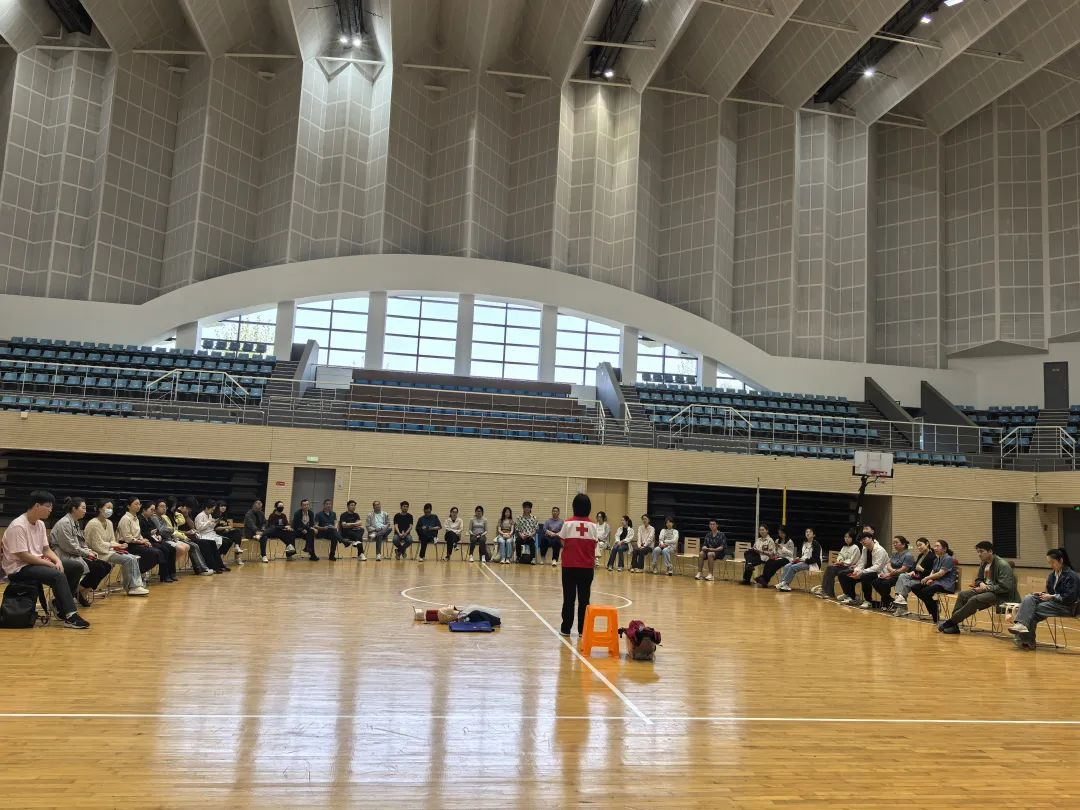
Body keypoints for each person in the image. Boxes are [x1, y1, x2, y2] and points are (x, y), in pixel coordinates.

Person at [0, 491, 90, 628]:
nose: (50, 510)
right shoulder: (18, 526)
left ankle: (59, 606)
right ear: (37, 505)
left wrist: (57, 561)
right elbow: (23, 555)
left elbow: (46, 549)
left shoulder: (40, 524)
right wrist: (49, 564)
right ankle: (71, 616)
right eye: (48, 506)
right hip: (19, 568)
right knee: (57, 575)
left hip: (36, 563)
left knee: (76, 566)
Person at [937, 541, 1019, 635]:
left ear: (990, 551)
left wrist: (986, 588)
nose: (979, 554)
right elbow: (978, 579)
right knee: (963, 595)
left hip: (1001, 595)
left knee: (975, 599)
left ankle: (950, 622)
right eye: (978, 552)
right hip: (987, 591)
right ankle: (954, 626)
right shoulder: (984, 563)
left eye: (981, 551)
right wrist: (980, 583)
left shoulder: (1002, 565)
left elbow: (1005, 587)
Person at [1009, 548, 1079, 649]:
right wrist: (1043, 594)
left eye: (1052, 562)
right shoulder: (1052, 576)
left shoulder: (1071, 576)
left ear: (1061, 561)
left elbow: (1070, 597)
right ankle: (1022, 629)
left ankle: (1025, 640)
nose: (1051, 565)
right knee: (1029, 597)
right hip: (1054, 602)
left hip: (1067, 606)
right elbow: (1051, 593)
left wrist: (1051, 596)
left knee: (1031, 610)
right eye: (1049, 563)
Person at [49, 496, 112, 606]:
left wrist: (88, 550)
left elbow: (81, 542)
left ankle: (78, 592)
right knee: (98, 568)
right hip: (64, 555)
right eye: (83, 508)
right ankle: (69, 595)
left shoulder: (75, 522)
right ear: (74, 509)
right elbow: (69, 546)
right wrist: (87, 553)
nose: (85, 511)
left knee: (106, 566)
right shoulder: (65, 523)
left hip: (75, 554)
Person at [84, 499, 149, 595]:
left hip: (108, 551)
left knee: (132, 557)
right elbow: (97, 545)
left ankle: (136, 585)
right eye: (108, 507)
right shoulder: (93, 523)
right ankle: (131, 587)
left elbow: (112, 540)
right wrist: (114, 546)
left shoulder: (109, 523)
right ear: (100, 509)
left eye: (111, 508)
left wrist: (119, 545)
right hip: (97, 553)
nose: (110, 510)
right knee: (128, 559)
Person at [559, 492, 598, 637]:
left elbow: (562, 541)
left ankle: (565, 629)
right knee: (584, 600)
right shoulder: (593, 525)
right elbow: (594, 544)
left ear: (574, 506)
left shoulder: (567, 523)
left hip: (569, 567)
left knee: (568, 599)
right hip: (586, 568)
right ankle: (583, 630)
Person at [154, 499, 209, 575]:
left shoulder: (172, 515)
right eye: (174, 506)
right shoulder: (164, 516)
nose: (164, 508)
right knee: (191, 546)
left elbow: (187, 526)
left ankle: (203, 567)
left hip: (175, 536)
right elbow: (168, 530)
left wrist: (185, 516)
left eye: (165, 506)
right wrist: (183, 535)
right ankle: (200, 569)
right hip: (169, 538)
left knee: (195, 545)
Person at [909, 540, 957, 623]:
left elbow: (941, 573)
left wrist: (927, 578)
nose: (935, 548)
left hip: (946, 585)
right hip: (936, 583)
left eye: (937, 546)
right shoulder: (937, 559)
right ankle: (934, 605)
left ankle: (934, 611)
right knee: (915, 587)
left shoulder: (948, 558)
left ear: (944, 549)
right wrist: (930, 579)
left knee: (925, 591)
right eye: (934, 546)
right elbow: (933, 571)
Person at [117, 497, 162, 581]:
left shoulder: (136, 518)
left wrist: (144, 541)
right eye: (136, 504)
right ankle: (136, 573)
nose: (138, 506)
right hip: (127, 545)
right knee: (155, 553)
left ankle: (138, 572)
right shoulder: (125, 519)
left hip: (136, 544)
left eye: (139, 504)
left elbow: (139, 533)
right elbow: (127, 538)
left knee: (158, 552)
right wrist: (141, 541)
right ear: (128, 506)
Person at [838, 532, 889, 606]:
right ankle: (852, 597)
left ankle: (868, 601)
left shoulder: (880, 550)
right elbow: (861, 563)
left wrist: (862, 572)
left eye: (864, 539)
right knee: (843, 574)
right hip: (866, 571)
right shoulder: (865, 548)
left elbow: (877, 567)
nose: (863, 541)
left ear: (871, 538)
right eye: (861, 541)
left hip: (880, 573)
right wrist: (856, 571)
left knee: (865, 576)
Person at [869, 536, 914, 610]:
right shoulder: (894, 554)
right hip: (892, 574)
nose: (894, 544)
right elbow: (888, 564)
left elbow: (903, 569)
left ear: (903, 544)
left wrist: (890, 574)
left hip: (901, 576)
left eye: (896, 542)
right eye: (894, 543)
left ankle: (886, 603)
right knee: (875, 582)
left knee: (884, 584)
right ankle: (890, 601)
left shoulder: (908, 555)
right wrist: (891, 571)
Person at [891, 537, 934, 616]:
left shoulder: (932, 556)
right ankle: (899, 598)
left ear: (927, 544)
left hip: (923, 579)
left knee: (905, 584)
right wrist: (913, 571)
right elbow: (915, 566)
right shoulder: (920, 555)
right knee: (902, 576)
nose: (919, 547)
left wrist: (922, 570)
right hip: (916, 576)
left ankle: (900, 603)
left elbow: (932, 573)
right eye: (917, 546)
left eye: (920, 545)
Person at [813, 530, 860, 600]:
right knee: (830, 568)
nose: (846, 539)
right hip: (842, 566)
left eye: (848, 537)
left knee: (832, 570)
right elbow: (840, 555)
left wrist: (843, 562)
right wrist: (839, 561)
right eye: (845, 537)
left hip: (849, 568)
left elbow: (852, 560)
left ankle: (829, 593)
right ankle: (825, 590)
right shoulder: (844, 547)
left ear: (852, 538)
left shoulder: (855, 548)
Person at [138, 500, 177, 583]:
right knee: (164, 550)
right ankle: (164, 575)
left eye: (153, 510)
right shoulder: (140, 519)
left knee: (172, 549)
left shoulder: (149, 519)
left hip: (155, 539)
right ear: (144, 510)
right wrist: (150, 533)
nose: (153, 512)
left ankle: (172, 572)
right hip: (148, 541)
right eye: (151, 510)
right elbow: (140, 534)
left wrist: (158, 535)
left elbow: (157, 530)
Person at [193, 499, 230, 572]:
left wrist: (214, 522)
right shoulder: (200, 516)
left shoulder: (209, 515)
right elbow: (199, 528)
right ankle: (215, 565)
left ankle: (219, 564)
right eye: (212, 509)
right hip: (203, 534)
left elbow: (211, 527)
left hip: (210, 533)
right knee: (213, 543)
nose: (212, 511)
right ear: (207, 508)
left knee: (225, 541)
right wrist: (208, 522)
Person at [214, 502, 244, 566]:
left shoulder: (224, 516)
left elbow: (226, 525)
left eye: (224, 506)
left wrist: (228, 529)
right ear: (218, 507)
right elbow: (215, 528)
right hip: (217, 534)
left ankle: (237, 546)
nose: (223, 507)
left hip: (224, 533)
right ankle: (236, 557)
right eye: (221, 506)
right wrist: (226, 528)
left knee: (237, 531)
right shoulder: (215, 516)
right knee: (229, 540)